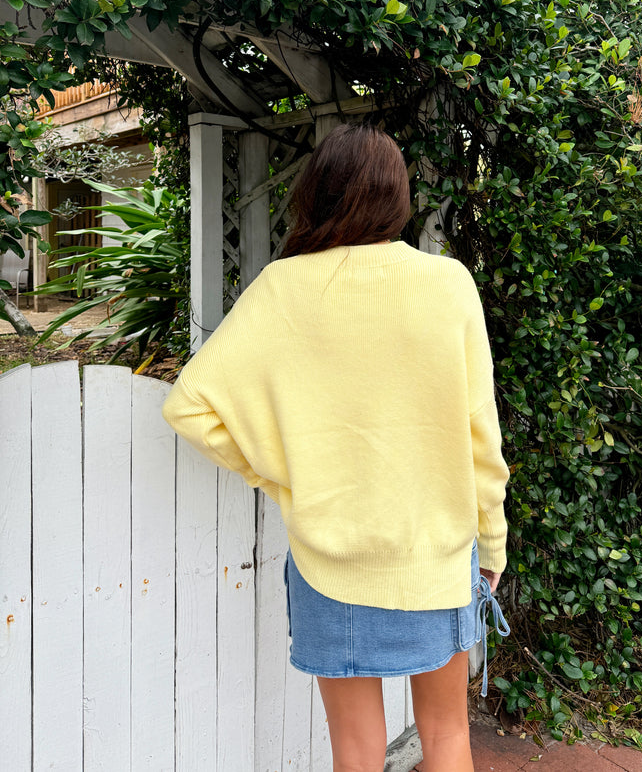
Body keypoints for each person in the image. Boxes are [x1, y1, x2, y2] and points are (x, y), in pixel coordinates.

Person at [162, 123, 510, 772]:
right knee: (448, 736)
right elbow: (481, 439)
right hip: (435, 559)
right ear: (398, 198)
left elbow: (190, 403)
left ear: (316, 193)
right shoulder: (449, 284)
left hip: (331, 565)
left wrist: (284, 475)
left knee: (355, 753)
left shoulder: (283, 288)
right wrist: (492, 543)